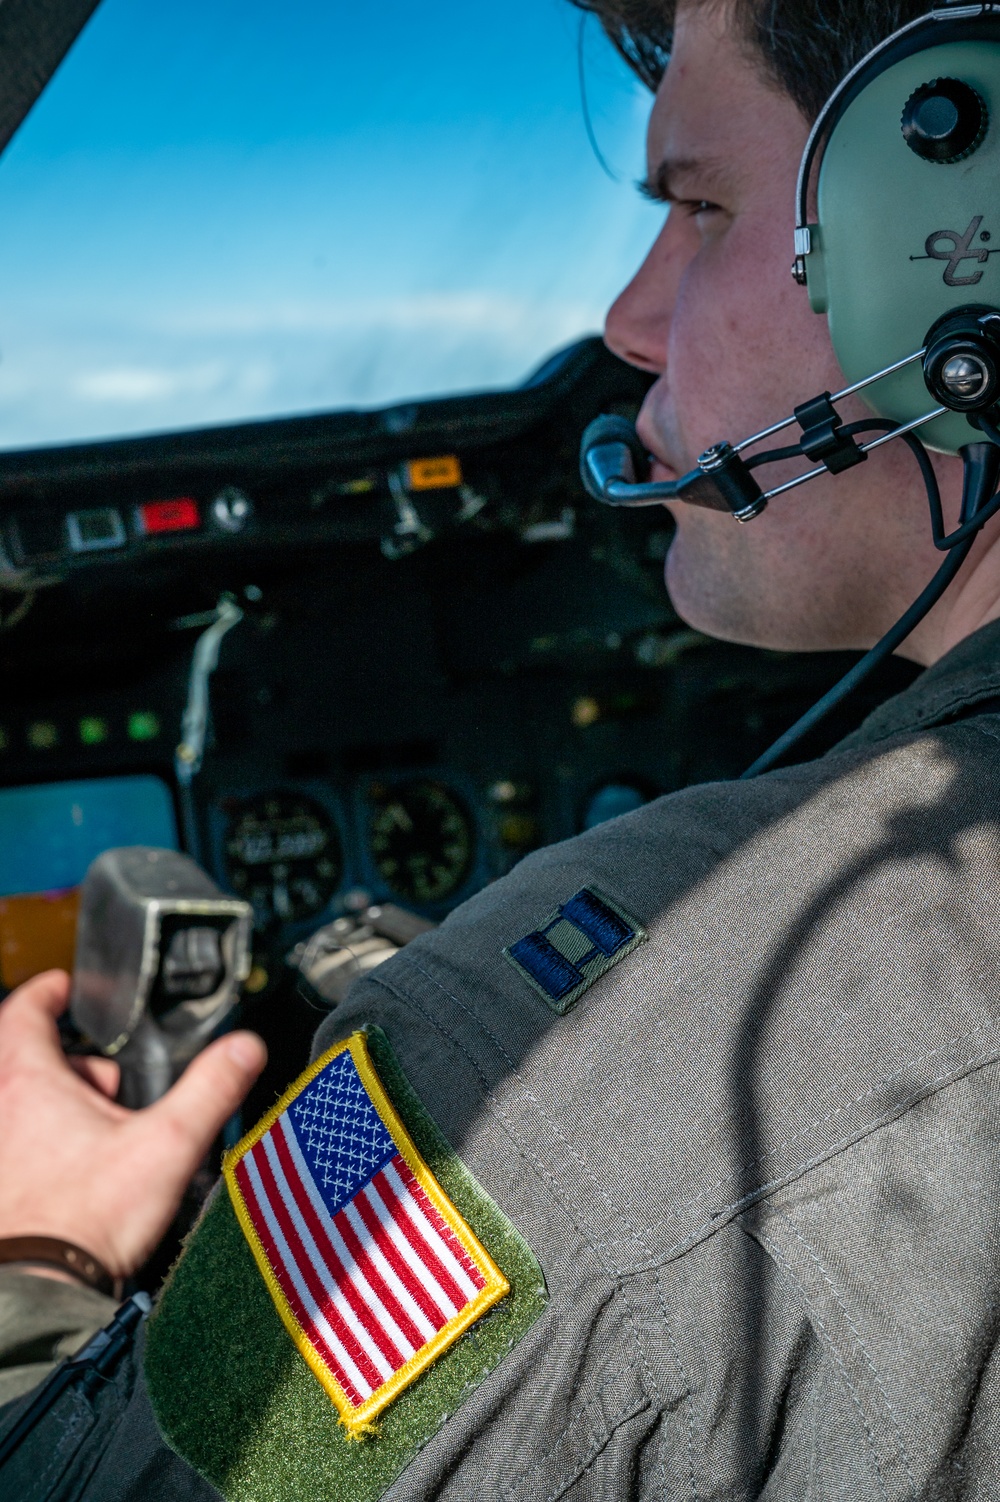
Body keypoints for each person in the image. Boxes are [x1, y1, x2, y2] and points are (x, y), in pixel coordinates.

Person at [3, 0, 1000, 1495]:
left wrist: (40, 1248)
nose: (629, 319)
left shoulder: (529, 1057)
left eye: (696, 205)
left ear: (953, 241)